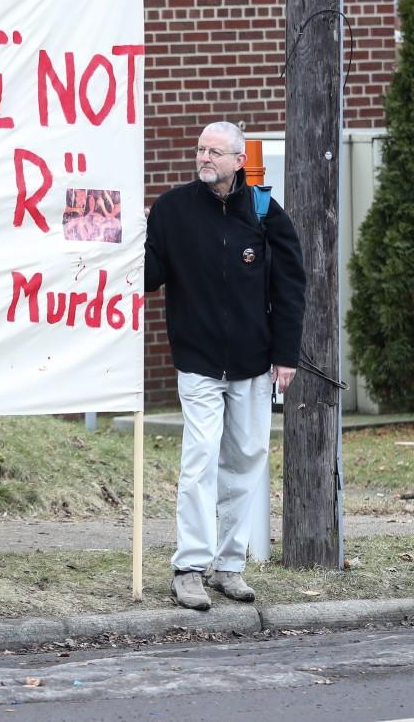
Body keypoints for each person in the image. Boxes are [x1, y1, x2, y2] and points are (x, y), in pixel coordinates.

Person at [144, 121, 306, 610]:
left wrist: (285, 354)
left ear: (239, 160)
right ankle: (190, 567)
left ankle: (229, 567)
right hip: (197, 361)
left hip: (255, 364)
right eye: (200, 149)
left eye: (216, 151)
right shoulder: (172, 210)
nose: (205, 157)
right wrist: (121, 240)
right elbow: (150, 277)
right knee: (199, 461)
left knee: (247, 460)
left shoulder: (264, 212)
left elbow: (290, 286)